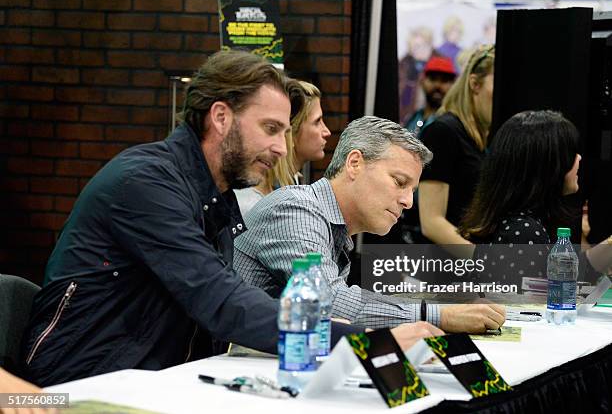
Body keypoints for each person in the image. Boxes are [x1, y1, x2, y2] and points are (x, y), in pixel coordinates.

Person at [21, 50, 442, 387]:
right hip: (79, 387)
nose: (282, 148)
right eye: (271, 128)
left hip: (154, 377)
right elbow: (219, 300)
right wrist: (356, 341)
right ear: (221, 118)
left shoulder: (210, 194)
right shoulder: (146, 183)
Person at [234, 116, 506, 332]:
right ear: (354, 163)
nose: (408, 202)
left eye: (412, 189)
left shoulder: (329, 224)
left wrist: (437, 305)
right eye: (400, 182)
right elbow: (330, 302)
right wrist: (440, 315)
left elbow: (351, 300)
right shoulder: (296, 209)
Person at [459, 110, 612, 286]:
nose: (579, 158)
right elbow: (531, 308)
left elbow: (572, 272)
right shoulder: (524, 232)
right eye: (570, 154)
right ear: (549, 166)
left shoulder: (518, 222)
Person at [418, 45, 494, 254]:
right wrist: (482, 261)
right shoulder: (443, 132)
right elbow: (432, 222)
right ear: (475, 84)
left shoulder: (483, 136)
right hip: (448, 272)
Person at [235, 81, 331, 215]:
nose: (327, 132)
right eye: (317, 121)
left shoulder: (293, 184)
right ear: (291, 133)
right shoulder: (251, 204)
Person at [404, 56, 457, 136]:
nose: (437, 85)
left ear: (454, 85)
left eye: (444, 80)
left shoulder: (455, 123)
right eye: (433, 79)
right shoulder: (413, 117)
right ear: (422, 81)